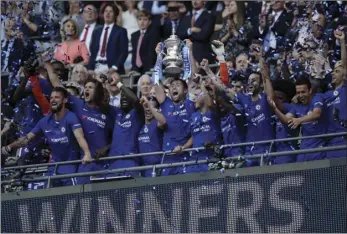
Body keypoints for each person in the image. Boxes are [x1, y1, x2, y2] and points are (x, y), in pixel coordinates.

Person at [1, 87, 92, 187]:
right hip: (53, 168)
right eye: (52, 97)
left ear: (65, 100)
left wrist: (87, 154)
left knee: (71, 199)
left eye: (57, 97)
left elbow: (80, 137)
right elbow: (26, 139)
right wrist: (10, 146)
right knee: (49, 199)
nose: (53, 99)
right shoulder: (44, 121)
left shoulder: (71, 117)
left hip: (69, 167)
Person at [45, 62, 115, 184]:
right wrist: (47, 65)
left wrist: (105, 149)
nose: (86, 89)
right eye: (85, 87)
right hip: (84, 165)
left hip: (104, 165)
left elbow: (116, 137)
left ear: (97, 92)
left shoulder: (108, 112)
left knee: (105, 201)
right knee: (84, 201)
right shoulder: (79, 106)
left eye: (90, 87)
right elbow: (57, 84)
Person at [270, 78, 327, 162]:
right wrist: (275, 109)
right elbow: (286, 120)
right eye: (298, 93)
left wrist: (299, 120)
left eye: (303, 92)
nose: (300, 95)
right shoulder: (296, 106)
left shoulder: (317, 97)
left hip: (319, 146)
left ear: (310, 90)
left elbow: (316, 113)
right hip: (304, 149)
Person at [155, 78, 195, 175]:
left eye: (177, 85)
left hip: (186, 157)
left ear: (185, 90)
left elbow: (196, 134)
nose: (174, 87)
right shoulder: (166, 104)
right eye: (172, 86)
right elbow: (157, 83)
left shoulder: (191, 105)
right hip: (168, 158)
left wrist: (183, 147)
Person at [108, 77, 145, 177]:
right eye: (122, 96)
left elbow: (136, 101)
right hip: (113, 162)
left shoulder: (138, 113)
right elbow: (102, 104)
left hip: (130, 161)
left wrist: (119, 84)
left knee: (130, 192)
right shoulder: (117, 112)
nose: (124, 98)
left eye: (127, 96)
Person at [323, 30, 346, 159]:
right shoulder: (326, 95)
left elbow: (345, 65)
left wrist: (342, 42)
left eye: (337, 71)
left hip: (344, 142)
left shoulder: (345, 89)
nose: (333, 73)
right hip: (329, 143)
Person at [88, 3, 128, 74]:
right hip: (96, 66)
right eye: (106, 11)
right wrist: (90, 68)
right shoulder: (96, 32)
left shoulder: (121, 31)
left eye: (111, 11)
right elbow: (93, 52)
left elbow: (124, 52)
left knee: (113, 83)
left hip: (111, 68)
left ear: (115, 15)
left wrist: (115, 67)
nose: (107, 13)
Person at [138, 96, 166, 177]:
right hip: (141, 170)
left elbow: (163, 122)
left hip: (156, 169)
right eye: (145, 106)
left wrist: (149, 104)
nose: (148, 109)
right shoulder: (139, 126)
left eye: (151, 106)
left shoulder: (157, 124)